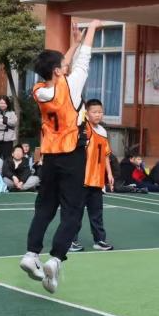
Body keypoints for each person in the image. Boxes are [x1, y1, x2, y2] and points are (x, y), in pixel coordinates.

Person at [19, 19, 99, 294]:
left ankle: (31, 253)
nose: (67, 66)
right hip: (72, 155)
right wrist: (92, 30)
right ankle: (55, 258)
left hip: (50, 157)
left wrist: (73, 44)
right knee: (73, 210)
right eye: (63, 65)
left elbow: (61, 66)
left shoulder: (39, 91)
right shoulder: (71, 85)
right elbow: (84, 61)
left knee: (45, 207)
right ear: (58, 70)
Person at [70, 99, 115, 252]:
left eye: (100, 112)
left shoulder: (103, 131)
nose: (98, 115)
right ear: (87, 113)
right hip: (82, 178)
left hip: (97, 180)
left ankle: (99, 240)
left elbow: (106, 155)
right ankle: (70, 240)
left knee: (97, 213)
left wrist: (109, 173)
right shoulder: (84, 128)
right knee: (76, 212)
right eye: (94, 112)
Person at [0, 95, 18, 159]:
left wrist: (5, 120)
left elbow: (14, 123)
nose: (2, 105)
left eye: (4, 103)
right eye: (1, 103)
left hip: (8, 139)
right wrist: (8, 124)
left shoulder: (12, 112)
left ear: (7, 104)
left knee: (7, 157)